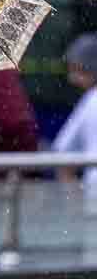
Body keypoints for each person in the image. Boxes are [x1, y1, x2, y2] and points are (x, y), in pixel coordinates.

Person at [52, 33, 97, 213]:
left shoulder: (92, 99)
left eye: (78, 70)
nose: (73, 79)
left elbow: (62, 154)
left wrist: (75, 204)